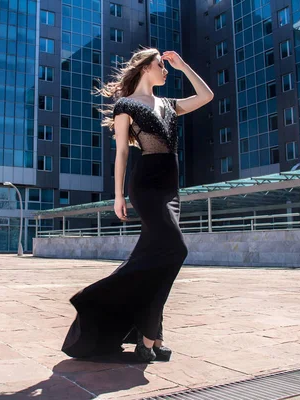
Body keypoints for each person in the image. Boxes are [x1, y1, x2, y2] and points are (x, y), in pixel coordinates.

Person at [61, 48, 214, 363]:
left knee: (156, 259)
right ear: (146, 67)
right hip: (145, 186)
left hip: (171, 188)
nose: (166, 70)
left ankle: (153, 335)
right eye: (162, 65)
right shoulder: (126, 105)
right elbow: (121, 153)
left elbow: (207, 95)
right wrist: (118, 195)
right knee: (176, 250)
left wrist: (183, 65)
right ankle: (147, 334)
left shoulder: (169, 105)